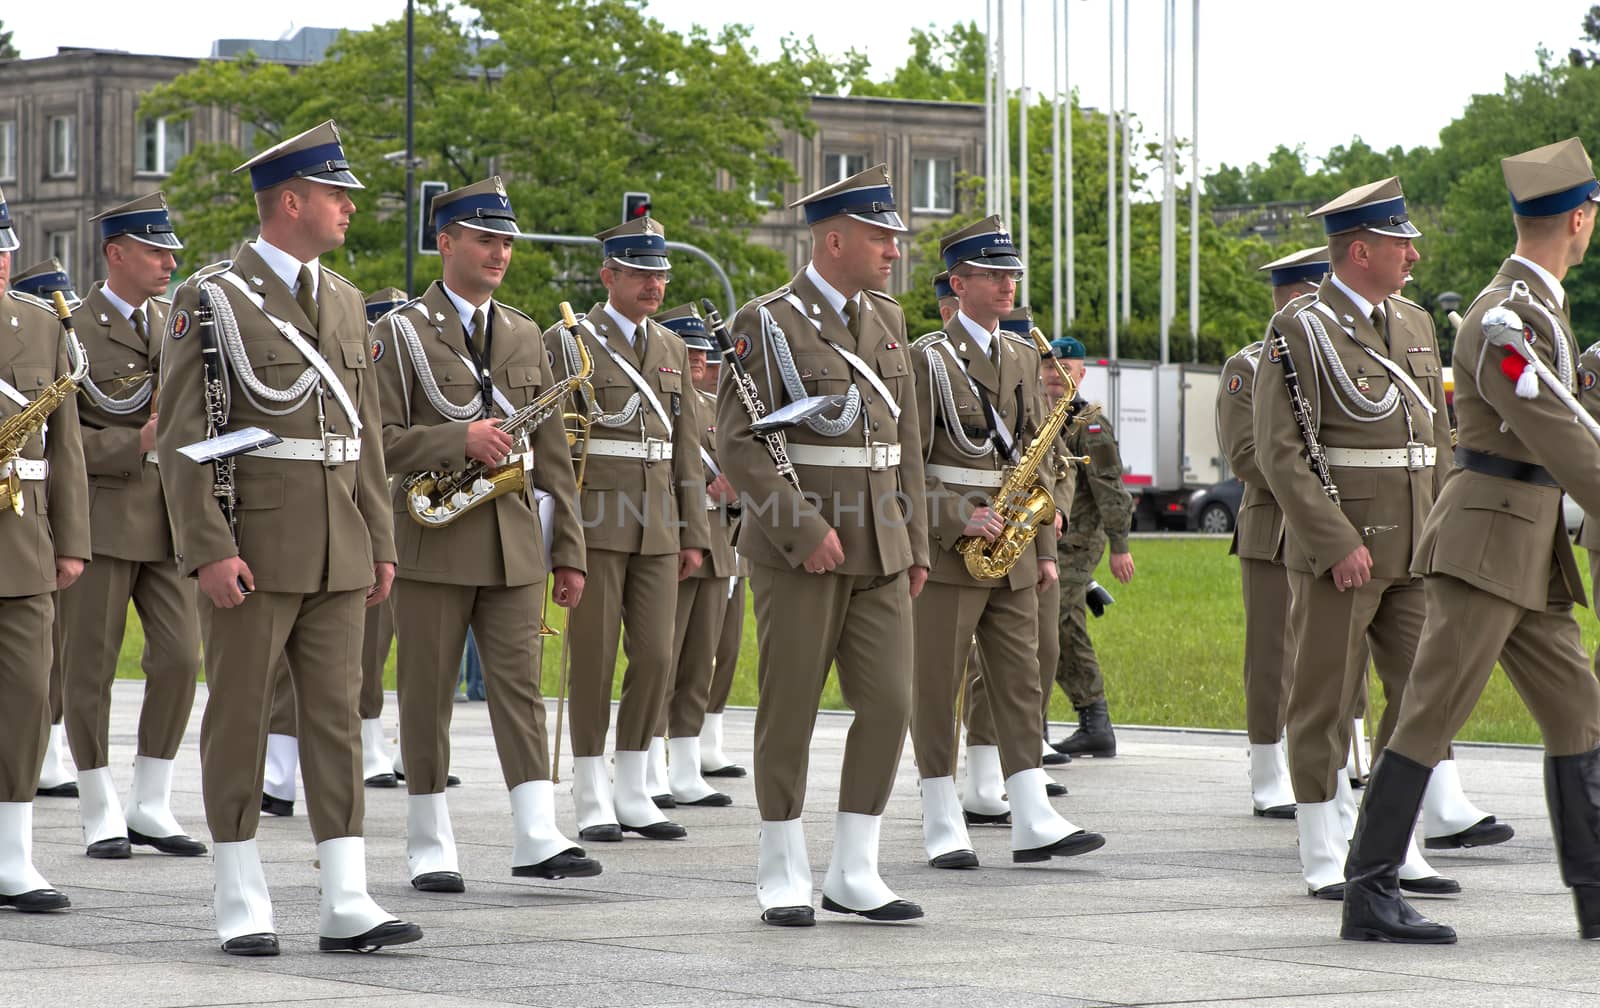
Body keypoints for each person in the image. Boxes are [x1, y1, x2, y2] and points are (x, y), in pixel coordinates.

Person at [157, 120, 420, 956]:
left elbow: (365, 436)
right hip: (253, 544)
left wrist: (380, 538)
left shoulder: (344, 298)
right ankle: (240, 891)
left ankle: (346, 896)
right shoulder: (210, 298)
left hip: (340, 543)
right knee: (237, 712)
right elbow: (183, 437)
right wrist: (207, 547)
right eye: (337, 194)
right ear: (292, 201)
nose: (349, 207)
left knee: (338, 717)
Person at [1342, 138, 1600, 944]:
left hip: (1529, 554)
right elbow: (1557, 434)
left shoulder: (1539, 309)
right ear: (1580, 220)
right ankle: (1369, 891)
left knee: (1580, 714)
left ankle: (1595, 894)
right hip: (1489, 544)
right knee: (1429, 711)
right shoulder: (1504, 316)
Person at [716, 163, 928, 927]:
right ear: (835, 238)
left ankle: (855, 869)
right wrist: (801, 528)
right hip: (803, 542)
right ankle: (781, 868)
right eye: (881, 236)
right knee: (791, 706)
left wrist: (918, 540)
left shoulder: (891, 321)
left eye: (894, 238)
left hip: (883, 543)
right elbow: (737, 444)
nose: (894, 250)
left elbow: (905, 439)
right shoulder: (764, 320)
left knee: (892, 703)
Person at [375, 176, 597, 893]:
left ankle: (536, 832)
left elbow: (555, 453)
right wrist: (455, 438)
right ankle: (428, 841)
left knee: (519, 687)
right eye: (484, 238)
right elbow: (375, 441)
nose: (499, 252)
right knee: (428, 690)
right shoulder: (398, 332)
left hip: (512, 539)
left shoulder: (527, 332)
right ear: (446, 242)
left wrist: (570, 550)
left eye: (506, 241)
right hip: (433, 537)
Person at [1252, 176, 1467, 900]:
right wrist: (1333, 539)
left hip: (1414, 543)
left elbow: (1436, 439)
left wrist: (1442, 530)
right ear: (1361, 249)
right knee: (1324, 698)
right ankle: (1321, 849)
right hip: (1344, 546)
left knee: (1417, 699)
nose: (1412, 253)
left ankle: (1395, 846)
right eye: (1400, 241)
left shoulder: (1414, 324)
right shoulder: (1300, 329)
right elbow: (1283, 454)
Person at [909, 221, 1104, 872]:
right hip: (951, 545)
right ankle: (941, 817)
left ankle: (1031, 815)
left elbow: (1037, 455)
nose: (1006, 284)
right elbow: (905, 462)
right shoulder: (926, 357)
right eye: (993, 275)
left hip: (1016, 539)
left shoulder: (1022, 356)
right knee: (938, 685)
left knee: (1021, 681)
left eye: (1011, 274)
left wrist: (1045, 546)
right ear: (958, 284)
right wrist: (955, 515)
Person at [543, 216, 710, 843]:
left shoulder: (669, 347)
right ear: (607, 274)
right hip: (596, 515)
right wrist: (563, 534)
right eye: (640, 272)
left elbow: (686, 444)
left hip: (660, 519)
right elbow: (557, 442)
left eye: (660, 274)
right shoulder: (569, 340)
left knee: (659, 654)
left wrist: (694, 528)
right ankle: (590, 788)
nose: (654, 284)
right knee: (592, 656)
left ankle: (634, 782)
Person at [58, 193, 206, 860]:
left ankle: (151, 800)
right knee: (88, 665)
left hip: (171, 520)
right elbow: (58, 444)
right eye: (154, 250)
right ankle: (97, 804)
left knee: (181, 658)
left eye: (170, 251)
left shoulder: (177, 323)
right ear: (116, 254)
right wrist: (135, 443)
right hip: (102, 518)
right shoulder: (72, 332)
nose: (168, 261)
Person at [0, 184, 90, 913]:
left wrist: (73, 541)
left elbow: (68, 451)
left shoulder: (41, 326)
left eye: (4, 252)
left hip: (24, 536)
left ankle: (13, 854)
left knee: (28, 697)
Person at [1216, 245, 1330, 819]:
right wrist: (1316, 486)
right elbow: (1245, 456)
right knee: (1274, 655)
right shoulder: (1250, 365)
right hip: (1274, 527)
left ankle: (1339, 760)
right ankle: (1267, 770)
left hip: (1331, 523)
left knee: (1335, 650)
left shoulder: (1330, 359)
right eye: (1315, 290)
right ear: (1292, 295)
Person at [651, 304, 738, 807]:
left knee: (700, 659)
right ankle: (647, 762)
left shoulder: (717, 409)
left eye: (705, 357)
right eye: (692, 355)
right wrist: (711, 490)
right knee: (664, 655)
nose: (701, 366)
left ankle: (685, 765)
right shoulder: (666, 409)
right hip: (677, 537)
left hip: (719, 544)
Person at [1049, 339, 1134, 758]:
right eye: (1048, 366)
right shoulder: (1035, 415)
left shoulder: (1089, 424)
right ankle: (1092, 725)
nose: (1054, 374)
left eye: (1064, 368)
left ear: (1080, 375)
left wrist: (1120, 545)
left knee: (1054, 619)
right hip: (1044, 539)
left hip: (1079, 541)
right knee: (1061, 624)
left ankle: (1090, 720)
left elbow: (1110, 486)